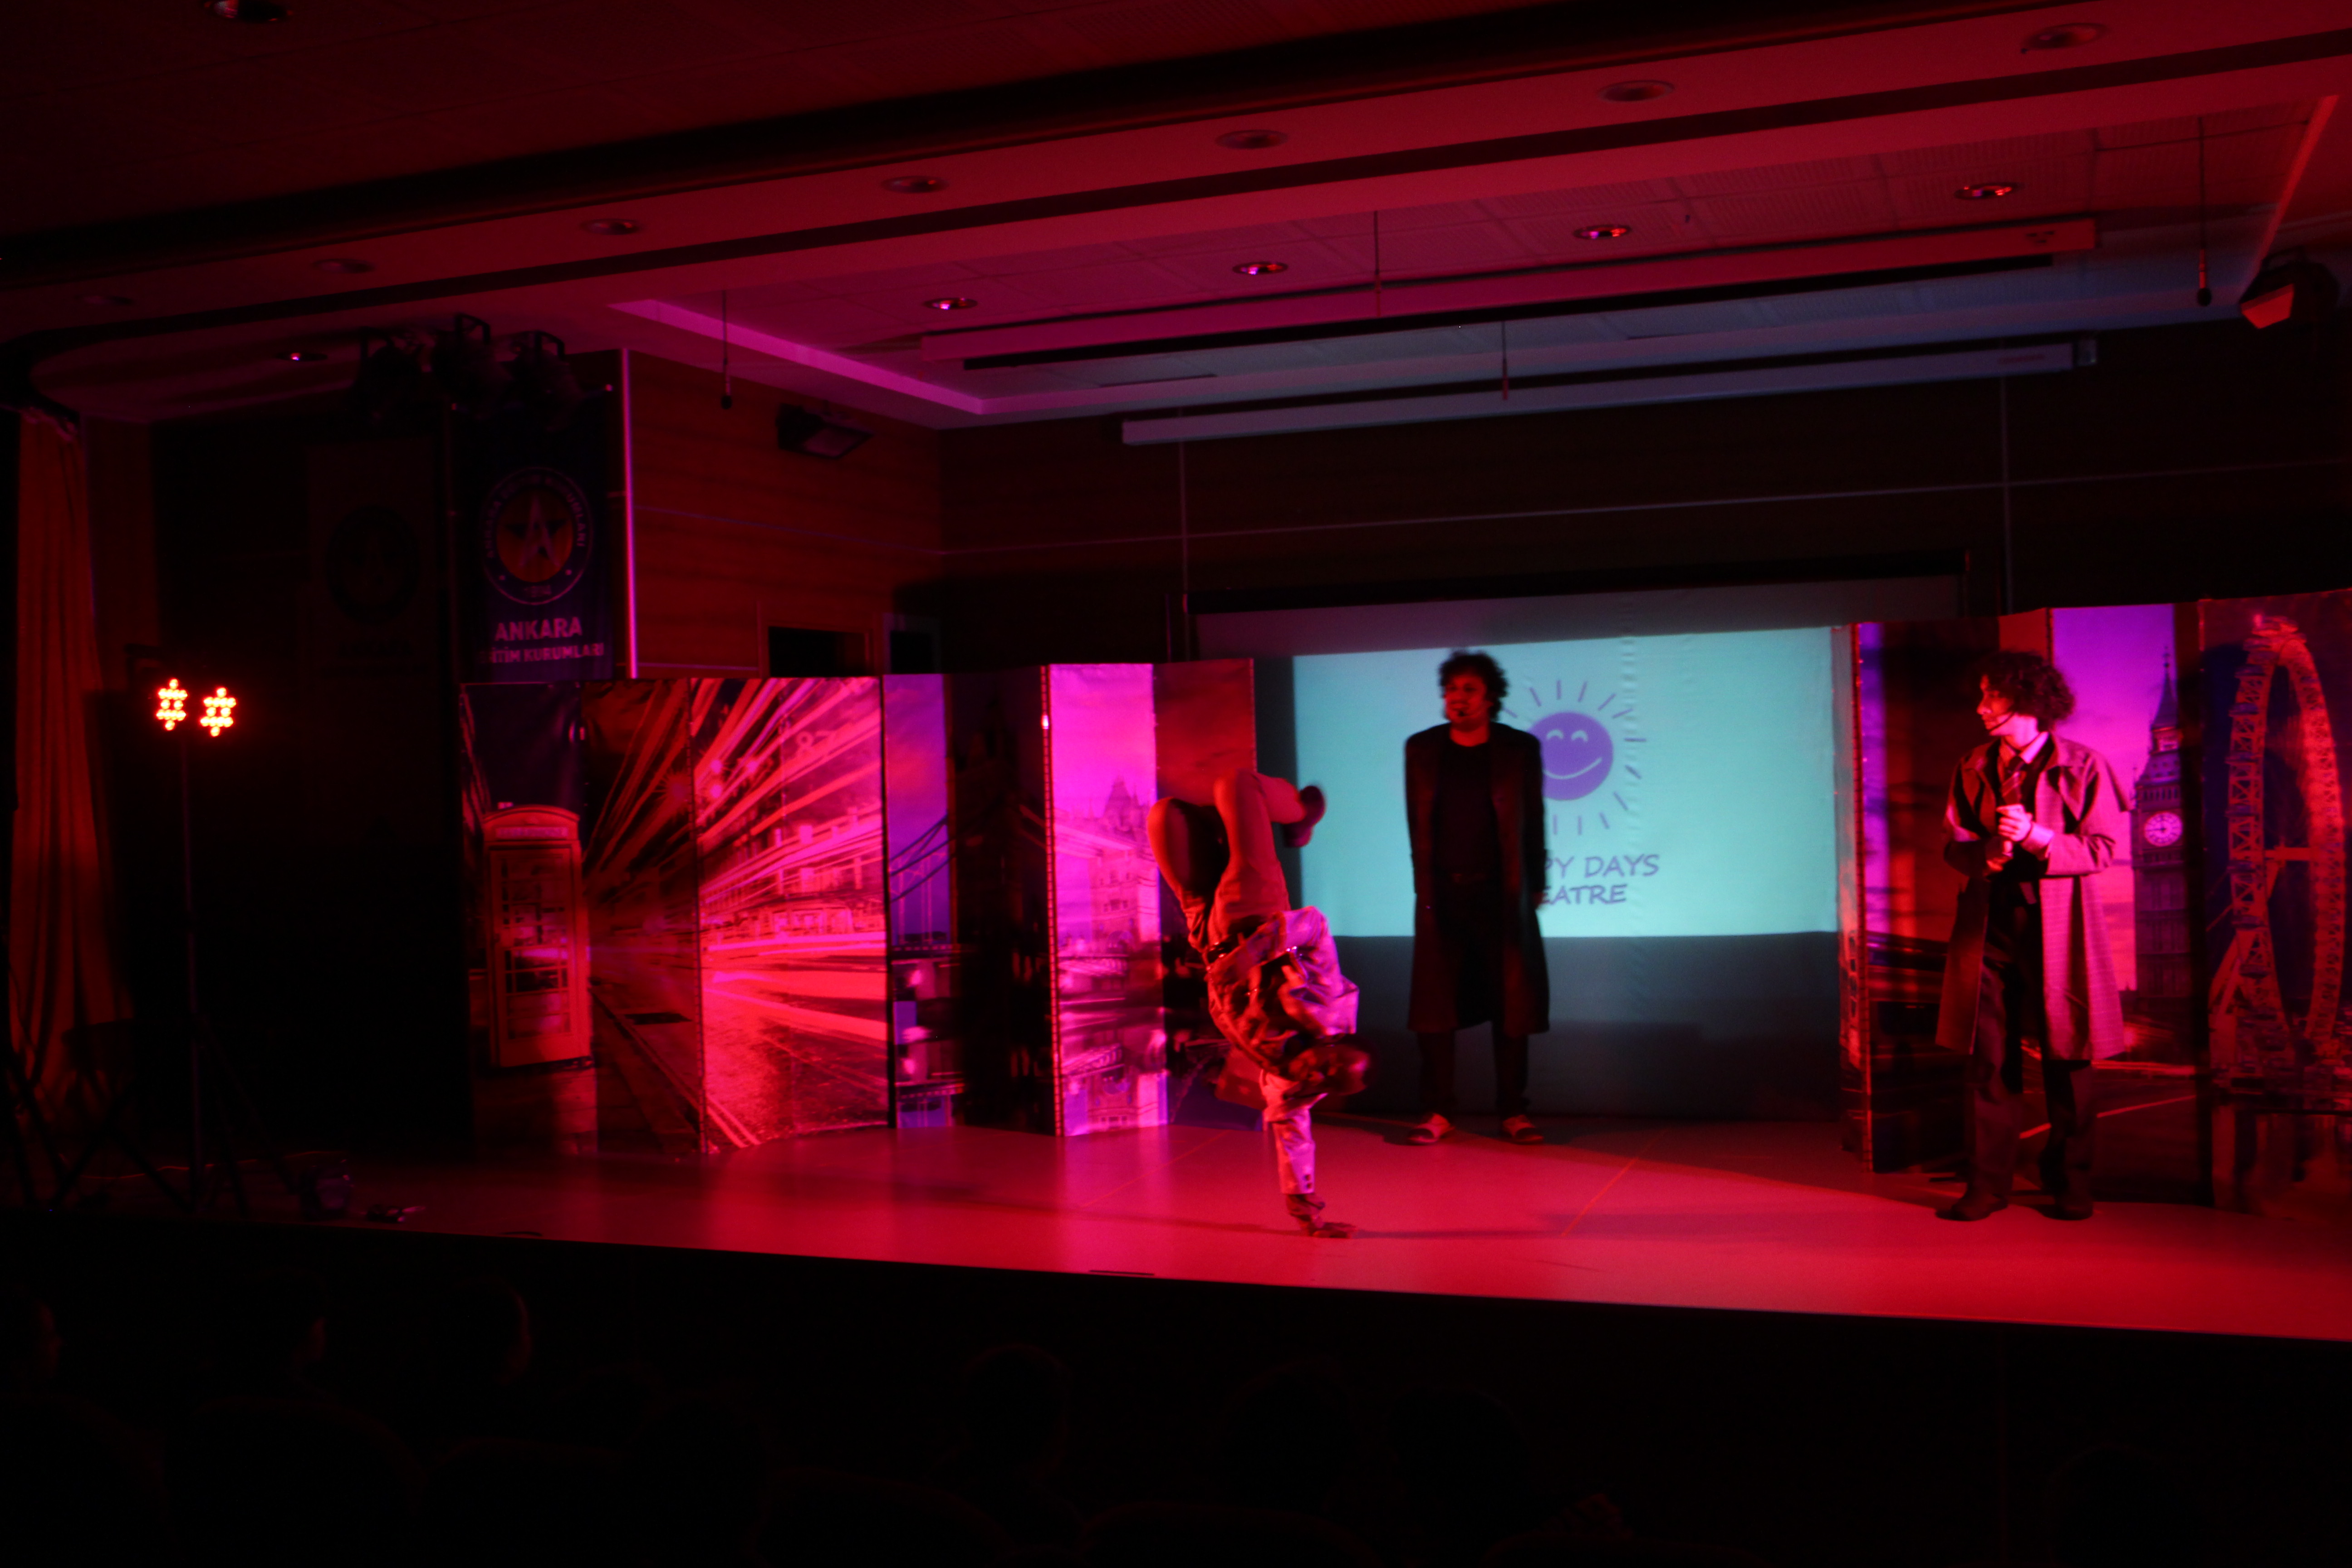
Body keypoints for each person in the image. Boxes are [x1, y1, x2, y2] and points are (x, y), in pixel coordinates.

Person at [1937, 650, 2127, 1222]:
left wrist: (2039, 837)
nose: (1980, 707)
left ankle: (2071, 1181)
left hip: (2061, 926)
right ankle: (1988, 1184)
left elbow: (2103, 850)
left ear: (2027, 699)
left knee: (2070, 1056)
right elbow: (1954, 847)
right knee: (1989, 1059)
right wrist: (1988, 853)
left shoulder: (2085, 765)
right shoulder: (1972, 765)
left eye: (1991, 694)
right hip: (1990, 924)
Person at [1149, 769, 1367, 1238]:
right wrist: (1252, 952)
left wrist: (1308, 1215)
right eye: (1329, 1065)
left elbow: (1295, 1143)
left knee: (1165, 817)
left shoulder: (1290, 1088)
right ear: (1334, 1045)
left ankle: (1216, 826)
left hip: (1205, 930)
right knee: (1236, 785)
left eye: (1325, 1082)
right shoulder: (1328, 1004)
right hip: (1254, 911)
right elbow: (1314, 924)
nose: (1317, 1074)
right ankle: (1302, 813)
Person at [1403, 652, 1551, 1146]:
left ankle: (1514, 1111)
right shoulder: (1423, 748)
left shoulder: (1518, 748)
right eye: (1451, 689)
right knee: (1435, 1008)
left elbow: (1533, 818)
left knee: (1510, 1005)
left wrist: (1536, 882)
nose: (1458, 698)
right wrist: (1424, 886)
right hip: (1443, 894)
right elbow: (1417, 825)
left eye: (1469, 689)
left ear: (1490, 698)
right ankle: (1436, 1111)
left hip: (1500, 895)